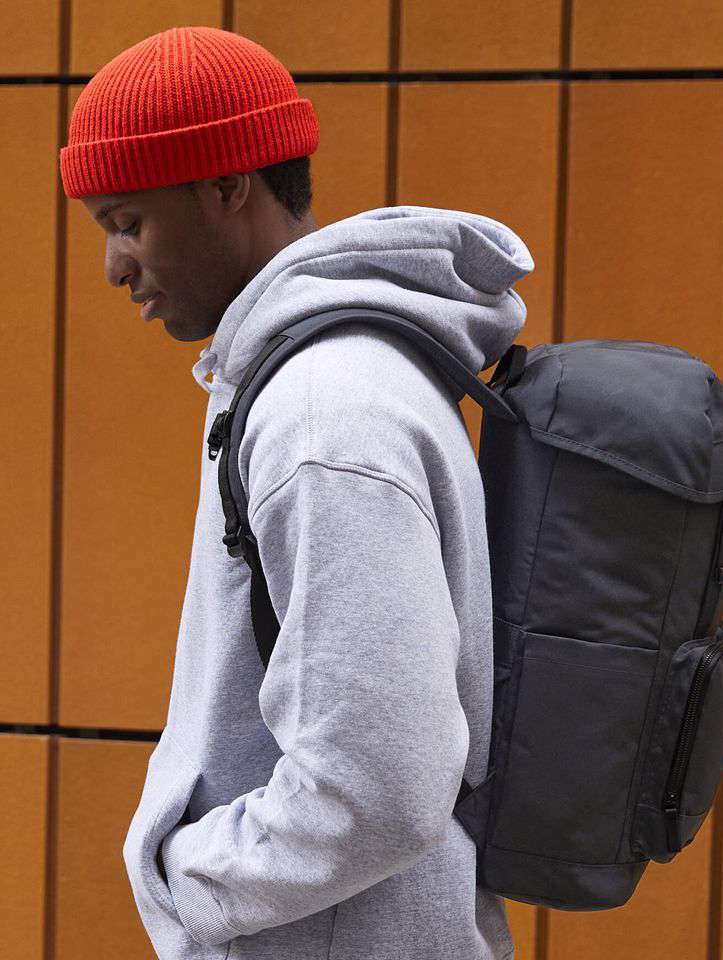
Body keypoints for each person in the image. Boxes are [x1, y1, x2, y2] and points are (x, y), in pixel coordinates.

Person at [59, 25, 533, 960]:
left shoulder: (324, 417)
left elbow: (378, 784)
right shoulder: (324, 380)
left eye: (128, 223)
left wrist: (187, 877)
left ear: (227, 186)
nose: (114, 266)